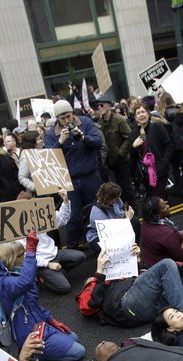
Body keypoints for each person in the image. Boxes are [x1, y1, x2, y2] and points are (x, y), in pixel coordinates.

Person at [0, 235, 86, 361]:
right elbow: (25, 282)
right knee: (80, 351)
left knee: (73, 337)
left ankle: (42, 349)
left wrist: (51, 320)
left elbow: (33, 305)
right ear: (10, 260)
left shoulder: (16, 272)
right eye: (20, 255)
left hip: (39, 323)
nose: (24, 257)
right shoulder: (4, 282)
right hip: (28, 333)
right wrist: (31, 249)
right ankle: (34, 353)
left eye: (24, 254)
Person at [44, 99, 104, 246]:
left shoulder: (85, 122)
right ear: (57, 118)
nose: (66, 120)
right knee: (73, 215)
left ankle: (102, 239)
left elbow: (98, 142)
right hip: (69, 180)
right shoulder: (52, 133)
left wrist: (84, 138)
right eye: (62, 118)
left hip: (90, 175)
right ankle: (74, 246)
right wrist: (60, 141)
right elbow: (48, 159)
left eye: (68, 116)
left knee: (97, 208)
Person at [86, 250, 183, 326]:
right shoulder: (95, 283)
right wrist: (99, 273)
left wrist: (136, 260)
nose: (91, 278)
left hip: (144, 308)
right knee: (166, 265)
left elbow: (140, 278)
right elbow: (89, 306)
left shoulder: (113, 278)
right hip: (127, 304)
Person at [11, 190, 86, 294]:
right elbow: (26, 256)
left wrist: (65, 202)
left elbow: (62, 219)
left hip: (54, 253)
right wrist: (47, 264)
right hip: (40, 263)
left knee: (81, 256)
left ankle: (58, 270)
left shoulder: (40, 213)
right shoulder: (16, 229)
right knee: (64, 288)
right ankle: (41, 278)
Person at [139, 197, 183, 267]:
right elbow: (181, 255)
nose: (168, 206)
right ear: (157, 215)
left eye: (165, 204)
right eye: (164, 207)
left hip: (152, 259)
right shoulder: (166, 233)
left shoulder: (145, 223)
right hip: (167, 262)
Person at [95, 93, 137, 208]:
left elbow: (129, 137)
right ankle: (122, 209)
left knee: (127, 187)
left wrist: (120, 152)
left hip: (121, 161)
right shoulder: (99, 123)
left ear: (109, 106)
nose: (99, 107)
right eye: (98, 106)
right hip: (109, 163)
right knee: (115, 189)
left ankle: (134, 208)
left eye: (101, 105)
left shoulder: (119, 120)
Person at [130, 103, 174, 200]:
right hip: (145, 175)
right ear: (135, 117)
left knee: (158, 200)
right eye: (138, 113)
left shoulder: (157, 127)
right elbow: (133, 157)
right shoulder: (134, 133)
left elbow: (169, 146)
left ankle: (163, 215)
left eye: (143, 112)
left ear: (148, 114)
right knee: (153, 201)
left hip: (160, 171)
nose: (141, 115)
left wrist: (163, 163)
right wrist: (134, 146)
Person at [86, 182, 136, 253]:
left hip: (115, 225)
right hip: (100, 236)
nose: (118, 200)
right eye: (116, 198)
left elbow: (120, 212)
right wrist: (127, 219)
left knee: (135, 221)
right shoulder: (97, 213)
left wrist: (126, 212)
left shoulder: (114, 200)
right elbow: (111, 233)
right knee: (112, 248)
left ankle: (133, 246)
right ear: (108, 199)